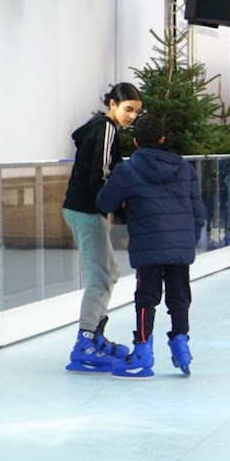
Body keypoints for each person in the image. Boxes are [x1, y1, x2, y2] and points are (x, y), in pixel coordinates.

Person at [95, 114, 206, 378]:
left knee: (146, 298)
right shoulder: (184, 168)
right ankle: (181, 344)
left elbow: (103, 203)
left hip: (148, 245)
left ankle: (143, 351)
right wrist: (188, 240)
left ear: (135, 142)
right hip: (180, 246)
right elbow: (198, 211)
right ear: (163, 138)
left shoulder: (128, 170)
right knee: (179, 296)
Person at [61, 82, 141, 373]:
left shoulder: (99, 127)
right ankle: (85, 342)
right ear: (112, 105)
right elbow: (103, 173)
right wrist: (117, 206)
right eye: (128, 109)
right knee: (101, 277)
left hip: (84, 209)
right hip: (87, 209)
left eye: (136, 111)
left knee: (110, 272)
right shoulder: (107, 129)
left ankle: (95, 335)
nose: (131, 116)